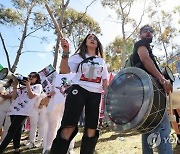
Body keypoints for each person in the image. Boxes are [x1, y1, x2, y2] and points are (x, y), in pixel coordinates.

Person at [50, 34, 108, 154]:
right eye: (89, 38)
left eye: (95, 38)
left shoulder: (101, 61)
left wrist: (108, 96)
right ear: (85, 42)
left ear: (98, 44)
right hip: (78, 90)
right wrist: (65, 52)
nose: (92, 39)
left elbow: (105, 81)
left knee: (92, 130)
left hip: (96, 94)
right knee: (68, 127)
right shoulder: (77, 57)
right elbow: (64, 71)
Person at [131, 25, 173, 154]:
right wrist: (162, 79)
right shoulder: (141, 44)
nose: (148, 33)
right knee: (163, 128)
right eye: (145, 31)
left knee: (147, 129)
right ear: (140, 35)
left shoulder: (147, 48)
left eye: (151, 31)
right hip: (151, 94)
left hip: (143, 93)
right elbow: (145, 59)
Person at [0, 72, 42, 154]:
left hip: (24, 111)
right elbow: (14, 96)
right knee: (17, 129)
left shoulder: (38, 86)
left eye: (32, 76)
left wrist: (28, 85)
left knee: (11, 130)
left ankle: (1, 149)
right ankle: (17, 149)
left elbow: (31, 96)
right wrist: (15, 87)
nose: (30, 77)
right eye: (29, 76)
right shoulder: (23, 86)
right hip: (14, 110)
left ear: (37, 78)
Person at [41, 73, 75, 154]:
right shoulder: (55, 76)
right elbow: (47, 89)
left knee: (69, 126)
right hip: (54, 103)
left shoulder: (74, 74)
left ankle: (69, 148)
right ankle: (48, 148)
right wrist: (49, 93)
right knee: (52, 126)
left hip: (68, 103)